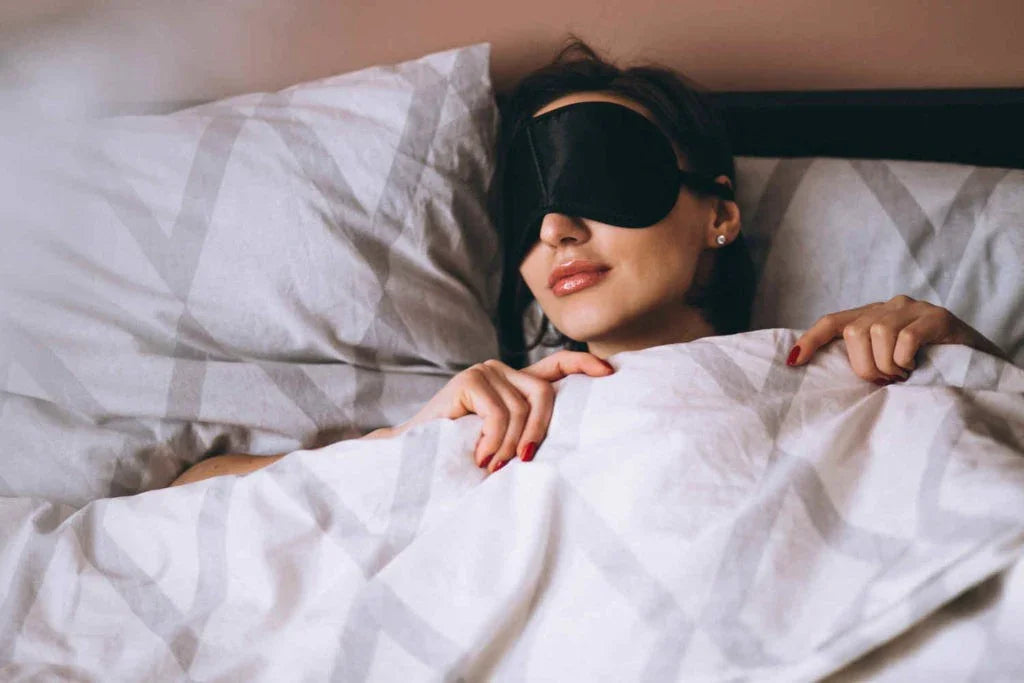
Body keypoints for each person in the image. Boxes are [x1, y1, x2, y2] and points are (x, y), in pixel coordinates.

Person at [170, 37, 1006, 488]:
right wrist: (407, 439)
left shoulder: (845, 369)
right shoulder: (485, 418)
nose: (558, 228)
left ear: (718, 213)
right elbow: (192, 498)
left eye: (600, 174)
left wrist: (965, 354)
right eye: (527, 215)